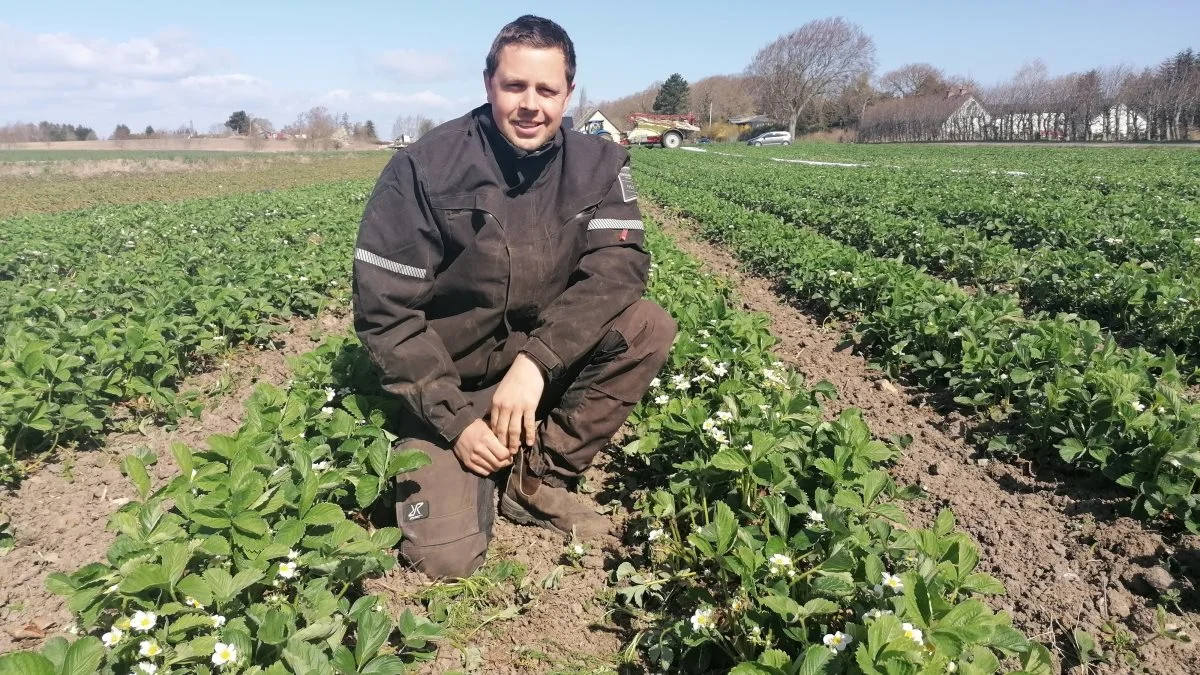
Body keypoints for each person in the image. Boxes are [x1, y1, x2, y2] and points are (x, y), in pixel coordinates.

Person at [352, 15, 676, 578]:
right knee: (445, 562)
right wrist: (457, 424)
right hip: (451, 381)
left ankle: (538, 479)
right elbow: (387, 312)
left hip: (539, 378)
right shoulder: (423, 169)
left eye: (547, 90)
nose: (531, 104)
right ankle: (474, 460)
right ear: (488, 84)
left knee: (646, 325)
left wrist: (536, 363)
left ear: (568, 94)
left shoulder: (597, 165)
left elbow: (618, 269)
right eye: (514, 86)